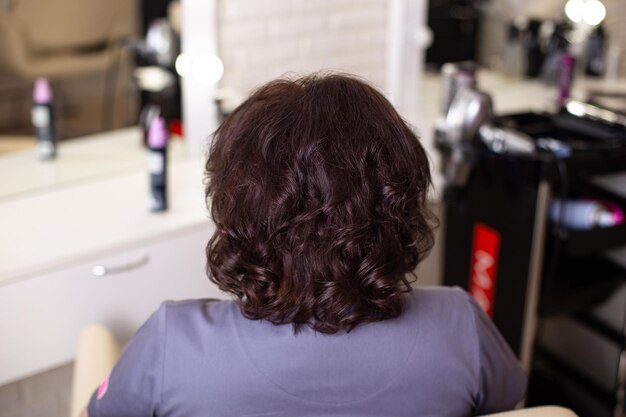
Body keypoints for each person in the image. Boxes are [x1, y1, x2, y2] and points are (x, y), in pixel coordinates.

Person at [84, 73, 526, 417]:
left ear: (237, 209)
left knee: (95, 339)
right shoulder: (461, 328)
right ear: (400, 208)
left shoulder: (172, 343)